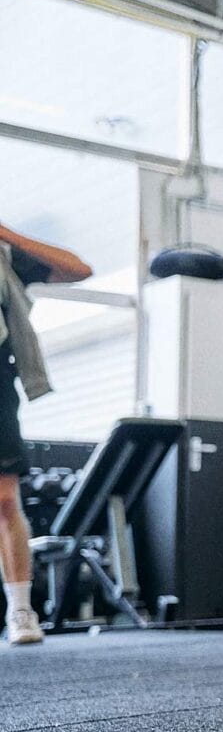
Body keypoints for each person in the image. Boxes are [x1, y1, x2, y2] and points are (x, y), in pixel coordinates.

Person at [0, 223, 92, 645]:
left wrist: (7, 234)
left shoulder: (7, 255)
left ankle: (21, 609)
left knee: (4, 499)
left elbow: (78, 269)